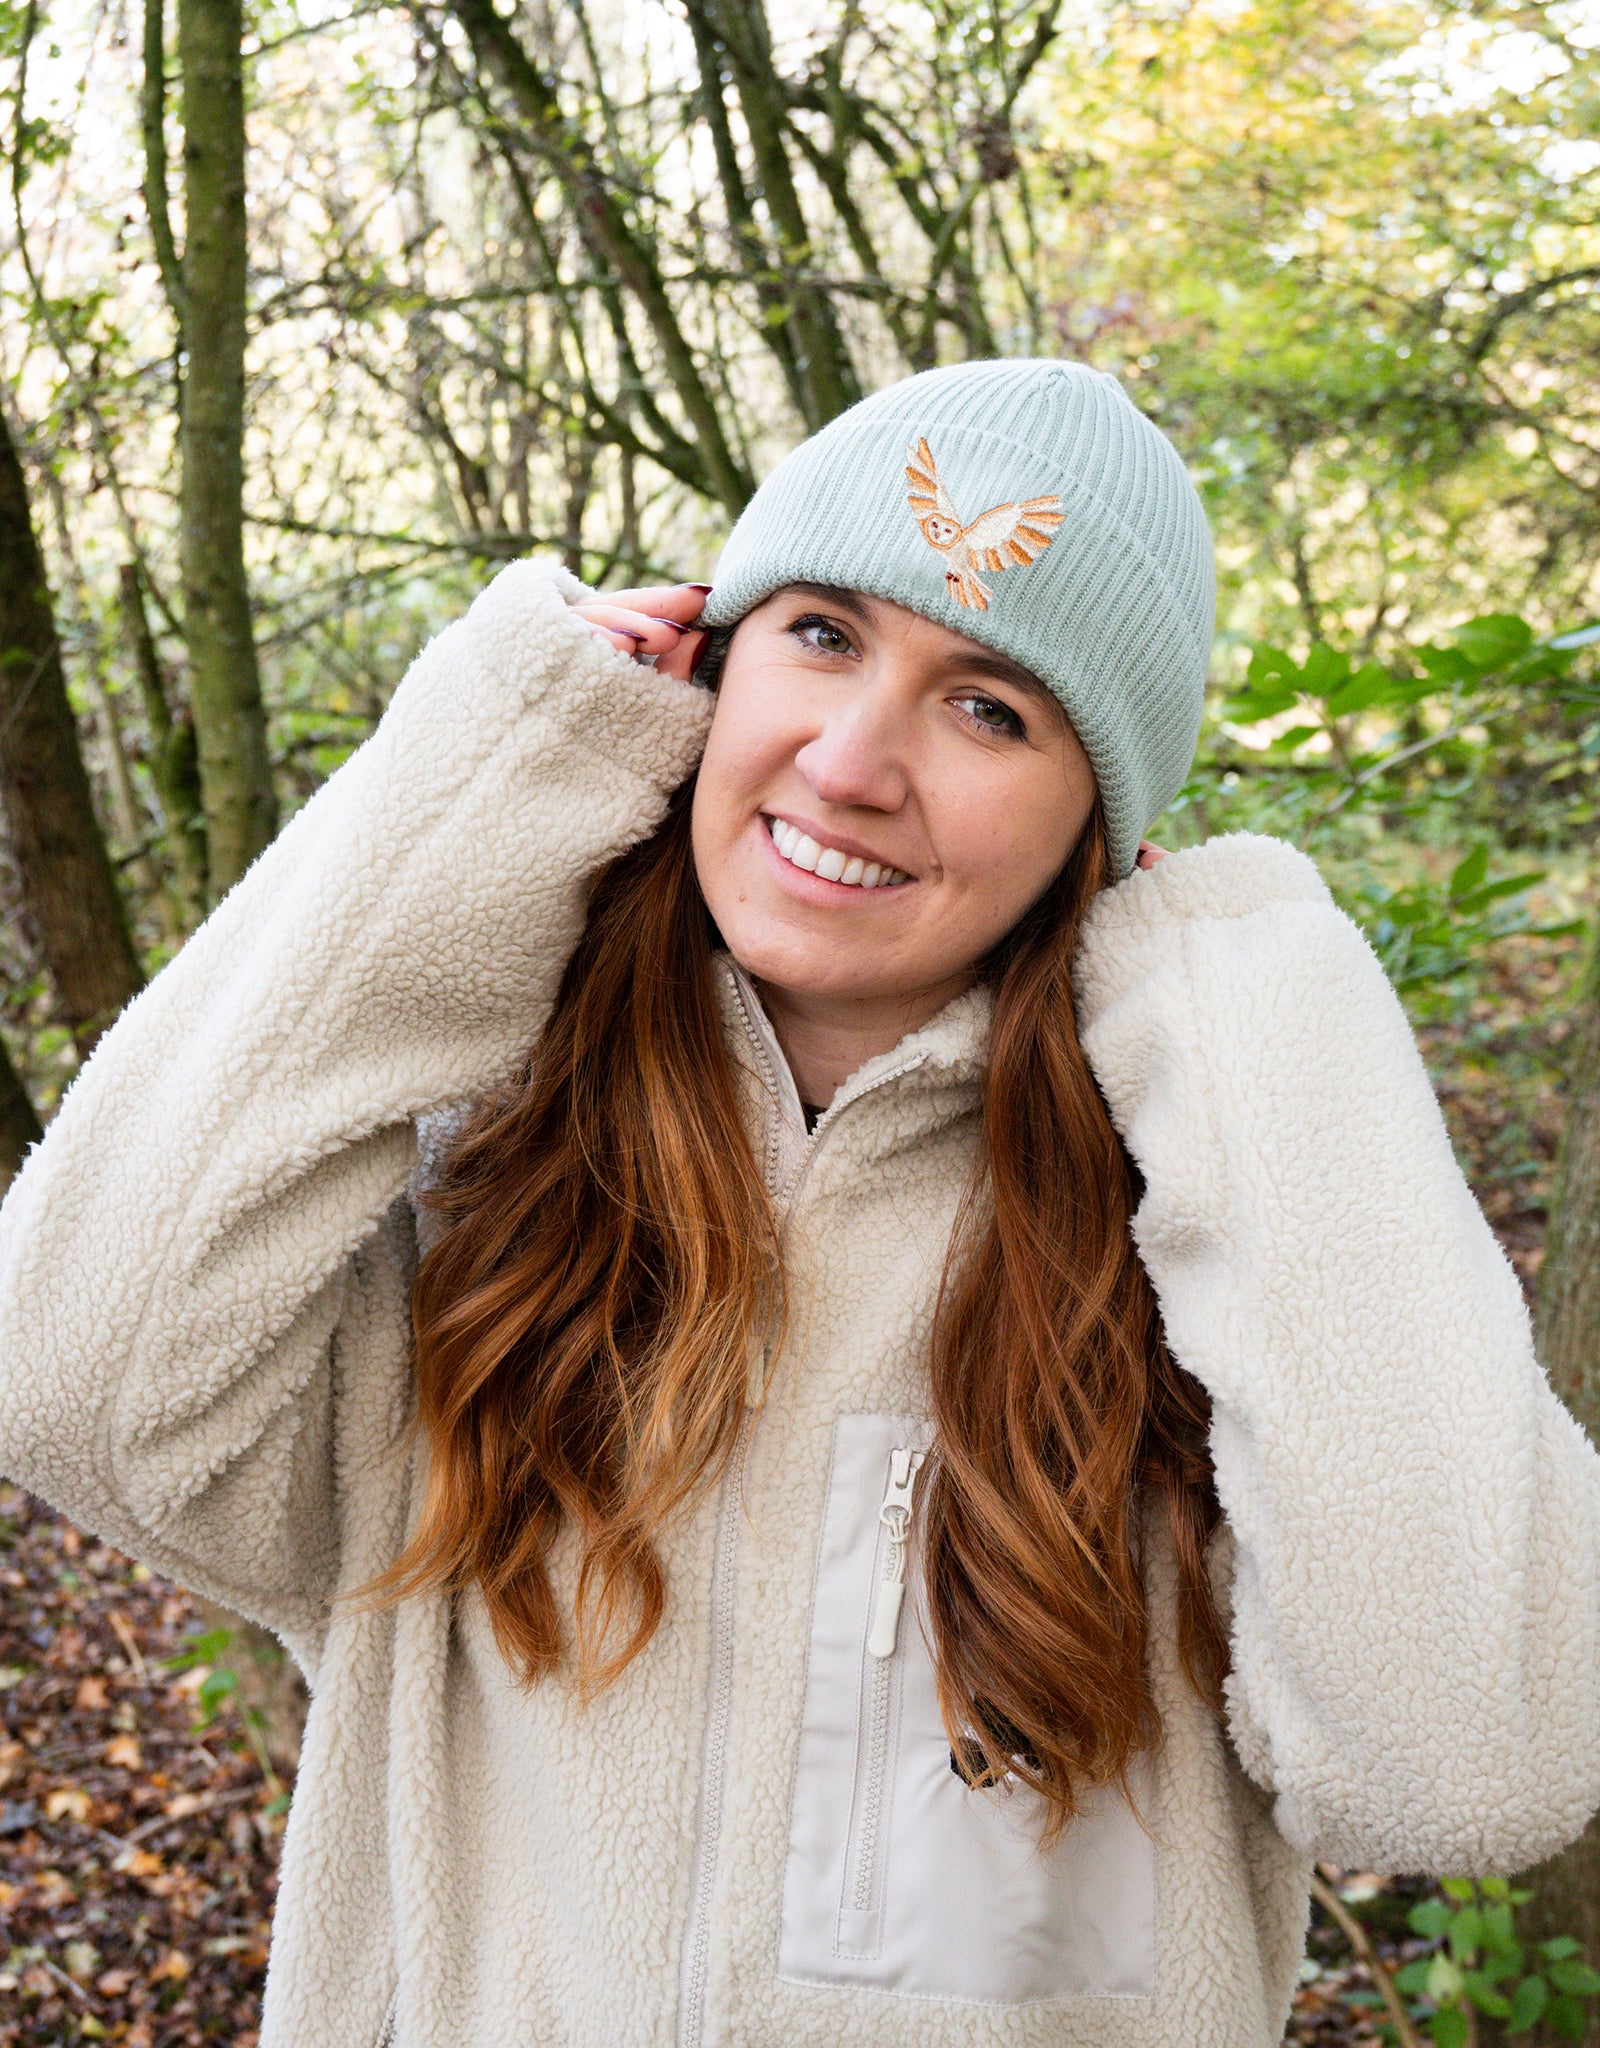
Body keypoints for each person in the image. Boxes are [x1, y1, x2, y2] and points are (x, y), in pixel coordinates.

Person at [0, 358, 1596, 2048]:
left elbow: (1470, 1773)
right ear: (707, 659)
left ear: (1098, 828)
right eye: (820, 634)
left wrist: (1253, 1004)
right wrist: (494, 769)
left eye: (991, 709)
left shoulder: (1200, 1264)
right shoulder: (474, 1198)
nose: (847, 764)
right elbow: (64, 1380)